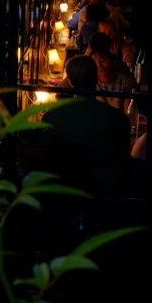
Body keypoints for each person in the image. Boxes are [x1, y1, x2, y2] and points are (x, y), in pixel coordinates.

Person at [43, 55, 130, 197]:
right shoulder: (119, 120)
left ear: (69, 82)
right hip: (104, 194)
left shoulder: (50, 116)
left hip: (62, 191)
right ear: (96, 79)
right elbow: (123, 160)